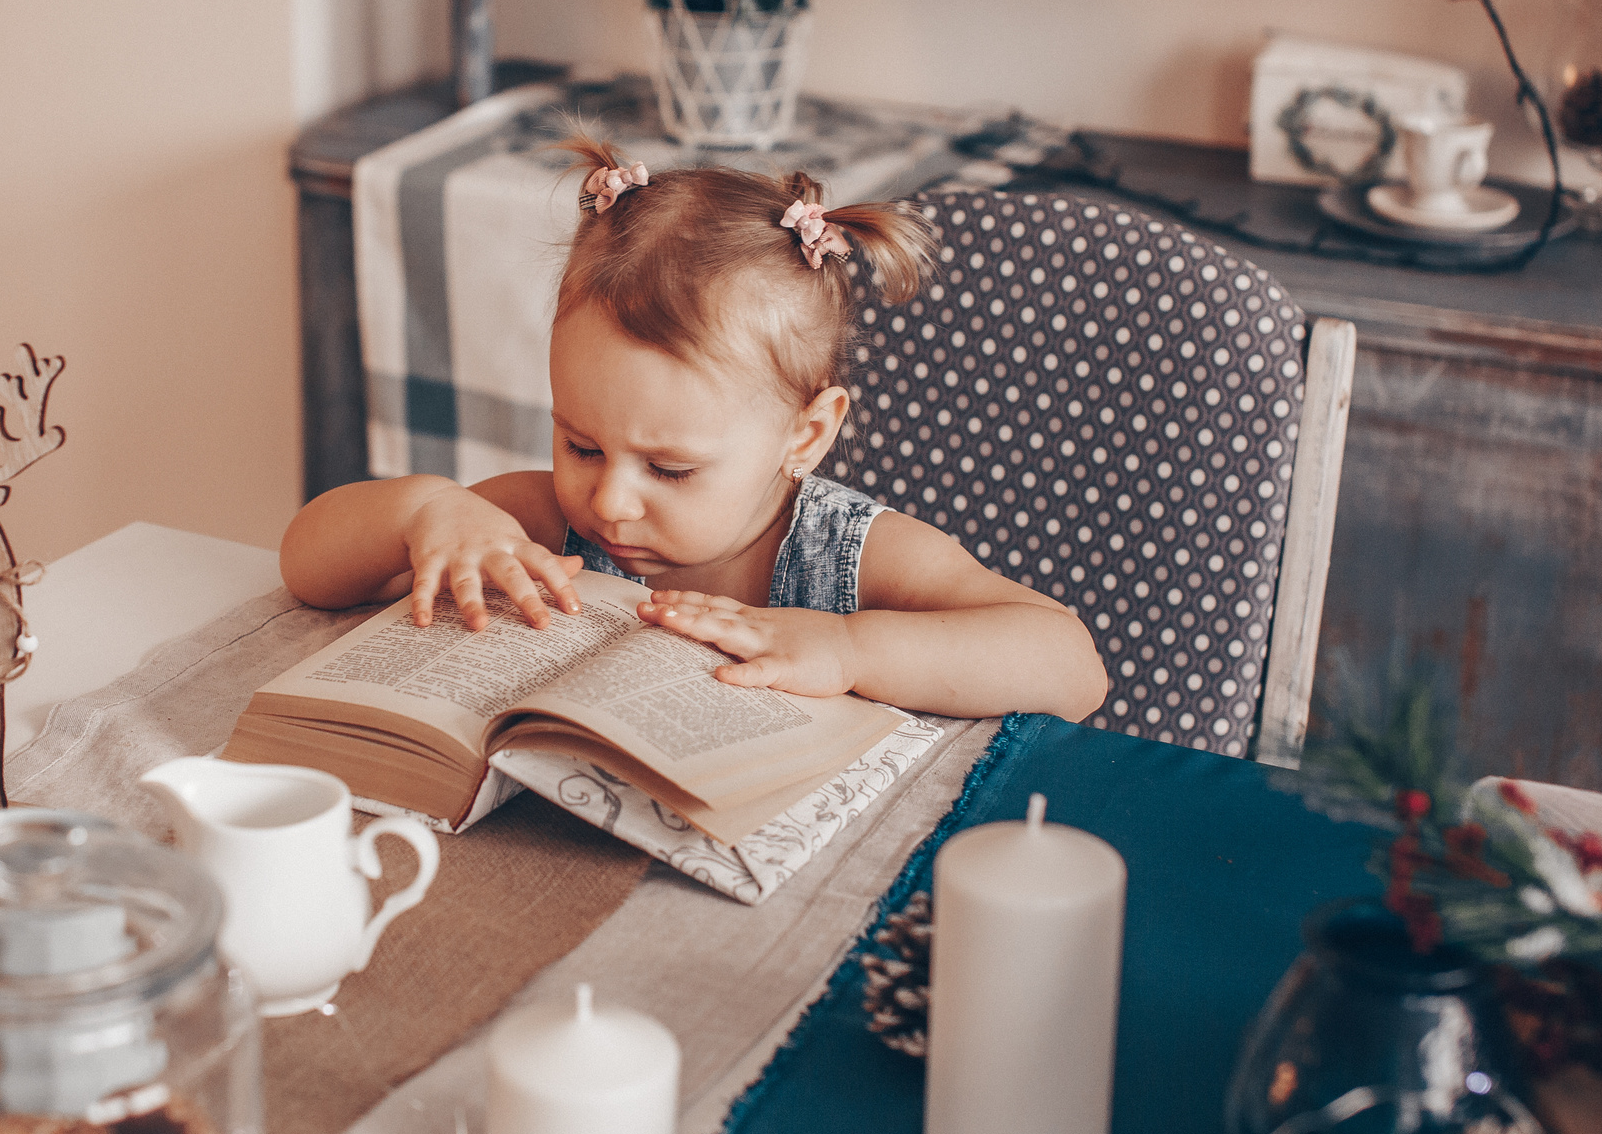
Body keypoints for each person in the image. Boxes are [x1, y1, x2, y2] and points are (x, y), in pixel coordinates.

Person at [279, 137, 1109, 724]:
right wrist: (428, 512)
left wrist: (853, 649)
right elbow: (307, 566)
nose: (610, 499)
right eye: (581, 444)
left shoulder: (850, 554)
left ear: (806, 434)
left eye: (670, 469)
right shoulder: (540, 522)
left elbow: (1071, 666)